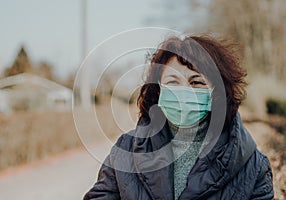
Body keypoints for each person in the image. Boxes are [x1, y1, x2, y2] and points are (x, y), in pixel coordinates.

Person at [83, 35, 274, 200]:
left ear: (217, 92)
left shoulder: (253, 167)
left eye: (196, 82)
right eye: (173, 82)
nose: (184, 91)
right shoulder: (124, 152)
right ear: (158, 91)